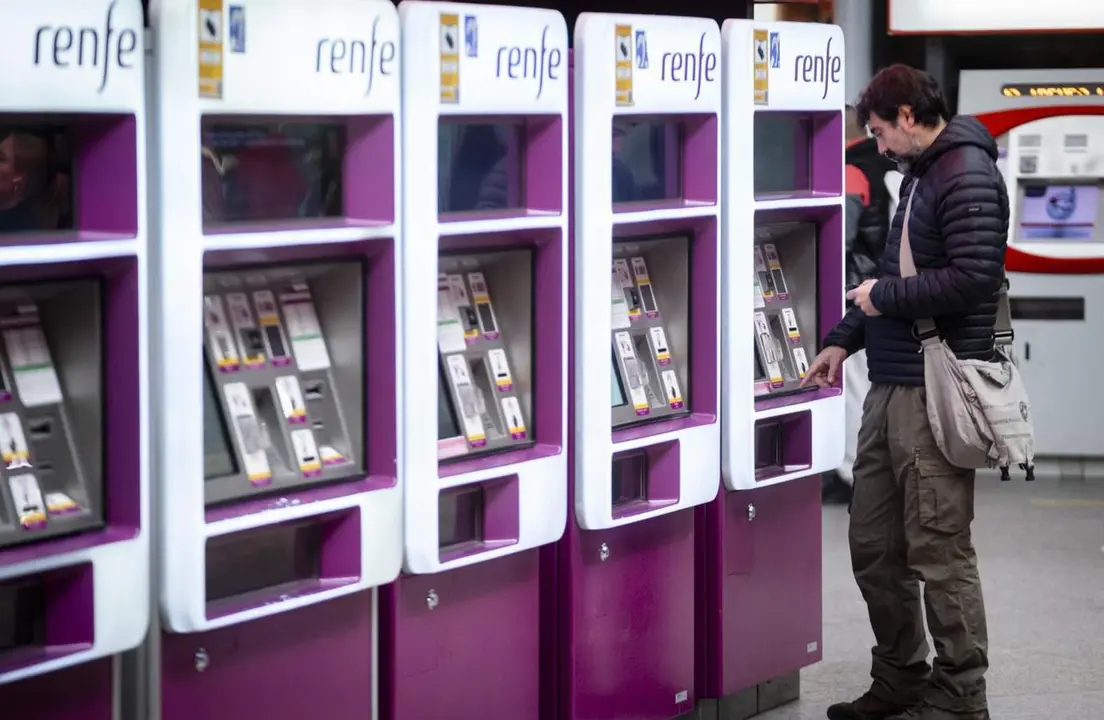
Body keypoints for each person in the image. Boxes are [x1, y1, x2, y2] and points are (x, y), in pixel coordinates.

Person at [803, 64, 1006, 720]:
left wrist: (883, 296)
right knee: (874, 545)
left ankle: (960, 695)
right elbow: (894, 274)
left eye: (881, 130)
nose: (878, 143)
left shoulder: (965, 171)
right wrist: (843, 339)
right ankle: (900, 677)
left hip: (931, 390)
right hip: (890, 384)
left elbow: (974, 277)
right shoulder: (919, 173)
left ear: (909, 117)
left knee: (938, 549)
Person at [823, 106, 902, 505]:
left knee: (854, 387)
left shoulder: (852, 169)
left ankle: (852, 475)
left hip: (858, 291)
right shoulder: (892, 164)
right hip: (890, 289)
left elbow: (840, 240)